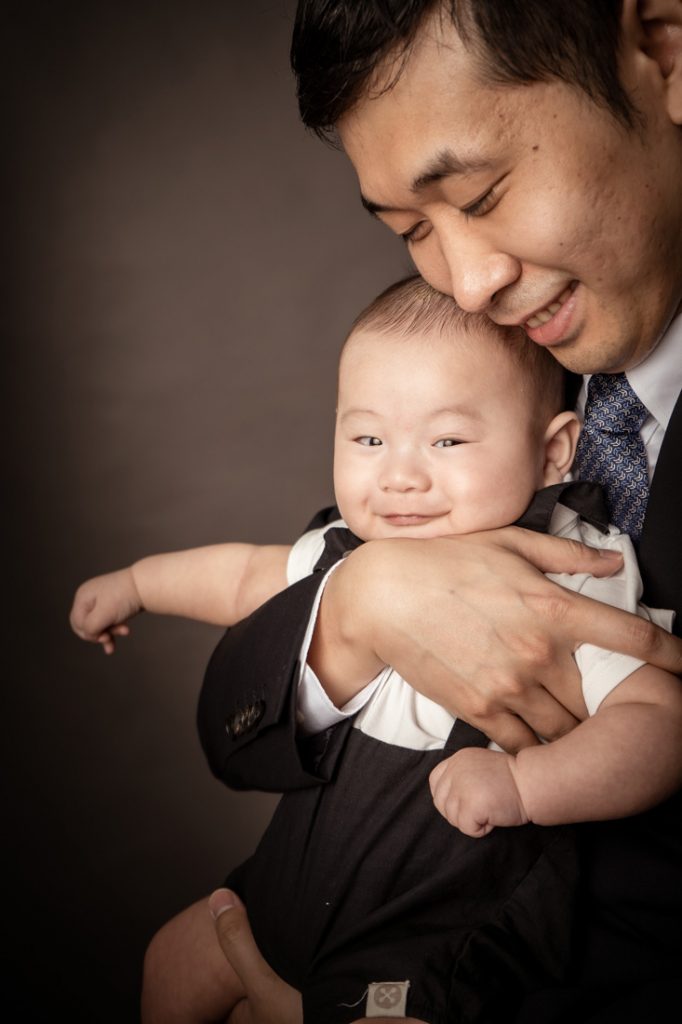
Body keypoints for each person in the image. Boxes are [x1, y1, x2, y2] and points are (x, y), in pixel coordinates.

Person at [196, 2, 682, 1021]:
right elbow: (235, 732)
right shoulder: (475, 393)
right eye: (414, 231)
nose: (468, 283)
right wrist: (359, 605)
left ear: (664, 52)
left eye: (482, 194)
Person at [71, 278, 681, 1023]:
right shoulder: (351, 548)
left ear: (555, 451)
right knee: (171, 958)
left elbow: (657, 722)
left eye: (447, 441)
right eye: (367, 439)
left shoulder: (574, 572)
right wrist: (137, 583)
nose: (398, 475)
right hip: (280, 892)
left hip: (419, 945)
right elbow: (242, 577)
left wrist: (529, 786)